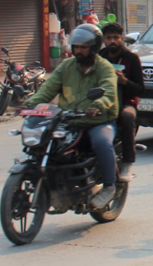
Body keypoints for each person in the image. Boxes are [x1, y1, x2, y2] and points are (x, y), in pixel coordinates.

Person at [26, 24, 119, 210]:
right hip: (69, 121)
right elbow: (47, 89)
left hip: (98, 121)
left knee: (101, 142)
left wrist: (96, 106)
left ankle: (110, 186)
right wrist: (29, 105)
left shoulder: (104, 68)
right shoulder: (66, 66)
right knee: (47, 144)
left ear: (93, 48)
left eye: (83, 47)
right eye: (76, 47)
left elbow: (108, 91)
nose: (79, 51)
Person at [100, 22, 144, 183]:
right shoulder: (99, 58)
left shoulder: (132, 58)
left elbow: (140, 89)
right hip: (102, 102)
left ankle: (128, 163)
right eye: (109, 38)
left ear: (121, 38)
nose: (112, 41)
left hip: (126, 102)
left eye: (115, 38)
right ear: (104, 39)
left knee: (126, 117)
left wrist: (124, 81)